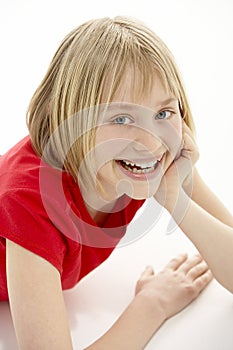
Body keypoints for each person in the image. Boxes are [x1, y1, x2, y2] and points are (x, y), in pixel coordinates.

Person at [0, 16, 232, 350]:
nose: (151, 143)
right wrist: (151, 305)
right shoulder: (28, 201)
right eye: (121, 118)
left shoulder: (138, 162)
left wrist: (172, 195)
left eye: (164, 113)